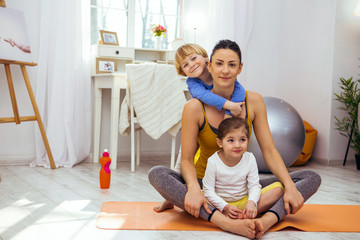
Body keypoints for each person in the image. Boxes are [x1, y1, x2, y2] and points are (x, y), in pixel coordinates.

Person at [148, 39, 321, 239]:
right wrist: (194, 189)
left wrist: (290, 187)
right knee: (157, 174)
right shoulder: (194, 107)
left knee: (309, 178)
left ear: (240, 68)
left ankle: (265, 221)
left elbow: (269, 150)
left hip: (244, 187)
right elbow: (186, 159)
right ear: (210, 65)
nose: (225, 71)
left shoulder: (254, 101)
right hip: (206, 185)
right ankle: (226, 222)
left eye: (232, 65)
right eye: (219, 64)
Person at [203, 117, 284, 220]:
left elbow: (254, 185)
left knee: (278, 188)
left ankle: (245, 213)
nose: (237, 145)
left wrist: (251, 202)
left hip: (244, 202)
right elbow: (208, 191)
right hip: (219, 204)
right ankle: (224, 215)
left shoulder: (249, 158)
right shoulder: (213, 161)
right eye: (231, 140)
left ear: (248, 141)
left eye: (242, 140)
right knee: (200, 197)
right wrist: (225, 207)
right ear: (220, 143)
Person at [175, 43, 245, 118]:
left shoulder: (217, 71)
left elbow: (239, 88)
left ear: (205, 57)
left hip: (224, 112)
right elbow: (204, 95)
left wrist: (229, 113)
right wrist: (229, 105)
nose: (191, 65)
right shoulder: (191, 82)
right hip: (205, 115)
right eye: (185, 65)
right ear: (183, 72)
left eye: (193, 58)